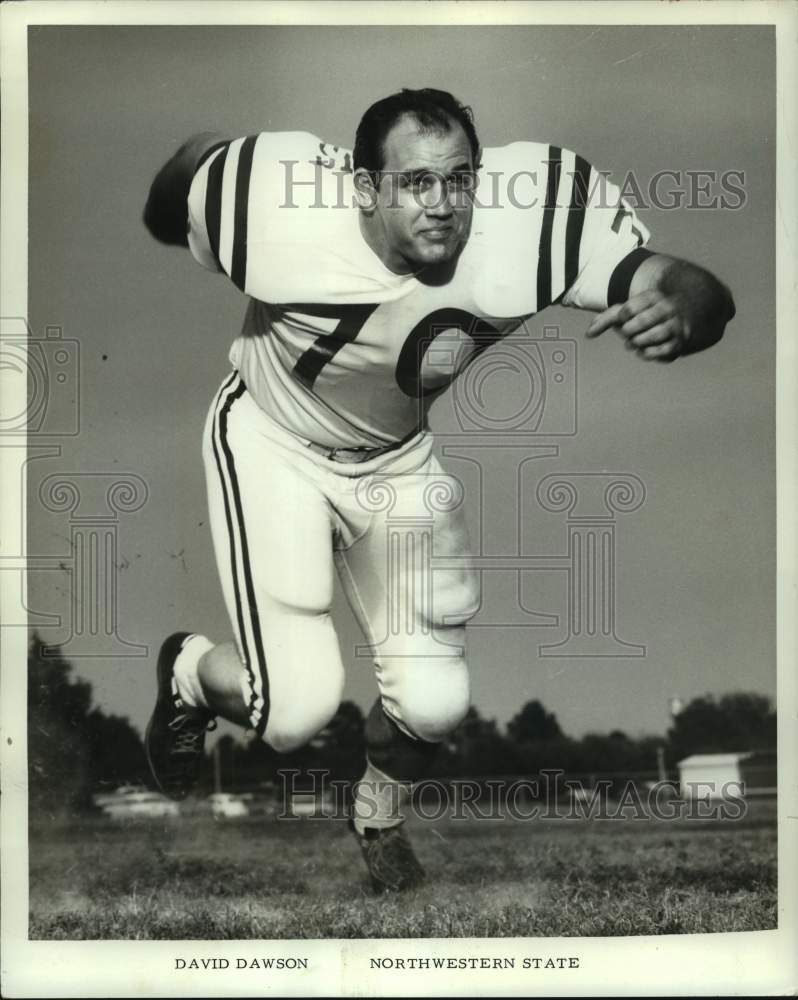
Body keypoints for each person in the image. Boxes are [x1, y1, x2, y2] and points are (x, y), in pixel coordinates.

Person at [142, 88, 734, 893]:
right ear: (363, 189)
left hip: (397, 459)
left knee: (433, 707)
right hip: (274, 441)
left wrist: (689, 307)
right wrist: (190, 175)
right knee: (294, 713)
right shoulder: (277, 202)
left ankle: (376, 815)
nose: (445, 203)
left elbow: (682, 282)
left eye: (459, 179)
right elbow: (188, 181)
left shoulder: (528, 222)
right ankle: (187, 672)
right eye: (417, 182)